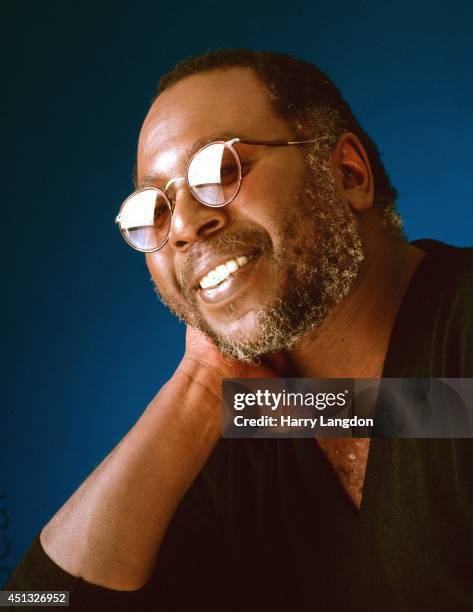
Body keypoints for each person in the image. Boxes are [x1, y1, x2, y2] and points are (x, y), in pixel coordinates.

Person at [5, 50, 473, 611]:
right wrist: (200, 388)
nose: (182, 226)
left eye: (220, 170)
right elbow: (38, 600)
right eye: (152, 208)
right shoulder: (240, 431)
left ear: (347, 173)